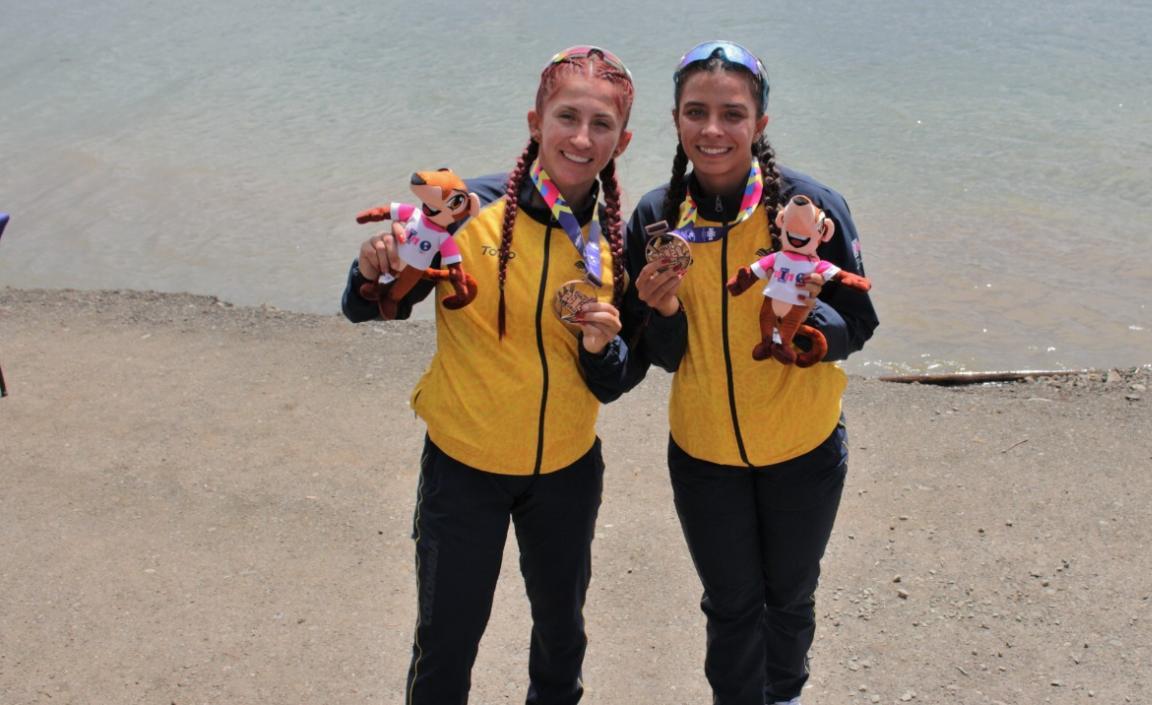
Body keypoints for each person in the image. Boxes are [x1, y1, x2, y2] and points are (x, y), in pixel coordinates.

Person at [341, 46, 638, 705]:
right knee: (446, 645)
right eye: (567, 117)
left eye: (602, 124)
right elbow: (371, 307)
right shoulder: (465, 210)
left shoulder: (616, 240)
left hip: (566, 472)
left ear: (623, 141)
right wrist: (371, 269)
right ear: (536, 122)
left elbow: (615, 380)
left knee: (561, 641)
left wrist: (599, 349)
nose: (582, 138)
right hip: (464, 469)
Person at [623, 41, 879, 705]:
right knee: (731, 603)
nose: (713, 129)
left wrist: (811, 326)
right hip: (704, 452)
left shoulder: (810, 208)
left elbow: (860, 320)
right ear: (675, 119)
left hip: (803, 445)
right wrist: (662, 311)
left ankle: (785, 694)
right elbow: (663, 354)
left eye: (732, 114)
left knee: (789, 597)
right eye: (696, 112)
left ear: (760, 123)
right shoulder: (655, 219)